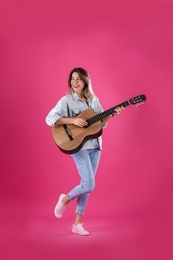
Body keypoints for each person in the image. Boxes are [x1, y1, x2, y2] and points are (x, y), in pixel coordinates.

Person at [46, 67, 124, 236]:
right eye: (73, 79)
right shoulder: (66, 100)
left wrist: (113, 114)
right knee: (89, 184)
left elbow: (101, 123)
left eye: (79, 79)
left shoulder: (94, 100)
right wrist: (73, 120)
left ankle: (77, 224)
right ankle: (65, 199)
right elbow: (50, 118)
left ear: (85, 81)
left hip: (95, 146)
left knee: (87, 187)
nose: (75, 82)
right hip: (78, 146)